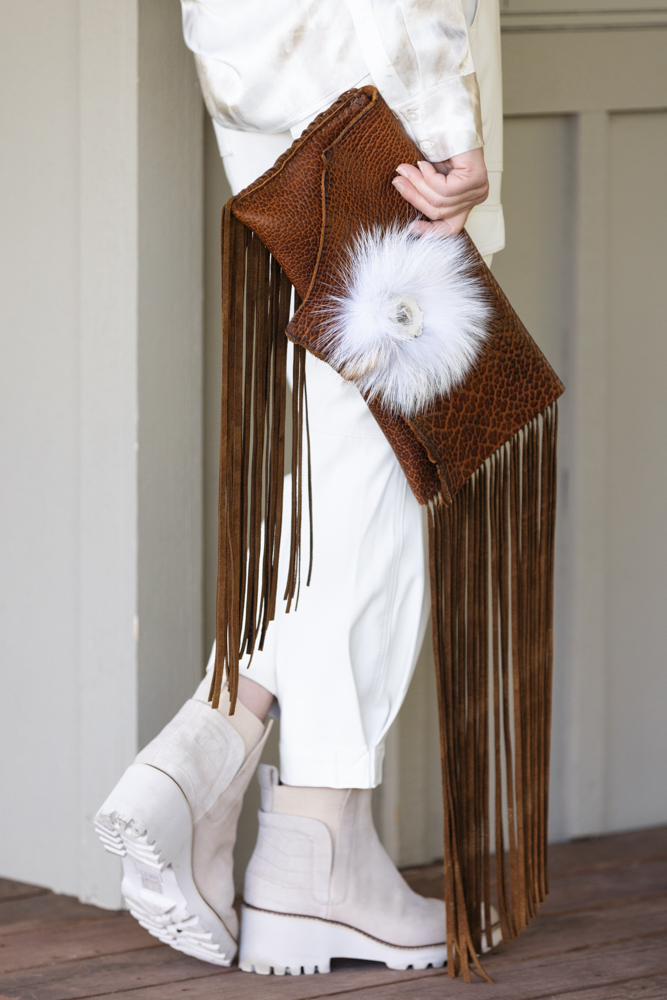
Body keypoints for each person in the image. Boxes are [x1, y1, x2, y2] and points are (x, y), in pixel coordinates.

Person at [95, 0, 504, 975]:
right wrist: (452, 119)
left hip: (258, 53)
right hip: (375, 54)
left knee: (358, 431)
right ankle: (300, 837)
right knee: (387, 435)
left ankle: (221, 760)